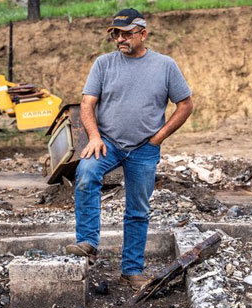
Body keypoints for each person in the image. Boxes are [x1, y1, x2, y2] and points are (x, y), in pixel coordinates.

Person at [66, 8, 193, 290]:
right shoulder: (103, 64)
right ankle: (88, 242)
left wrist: (159, 137)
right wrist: (94, 137)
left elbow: (185, 105)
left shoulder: (165, 66)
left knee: (138, 209)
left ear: (143, 33)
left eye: (126, 34)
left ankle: (131, 270)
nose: (120, 39)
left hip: (144, 148)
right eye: (116, 34)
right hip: (107, 142)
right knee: (86, 173)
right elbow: (87, 104)